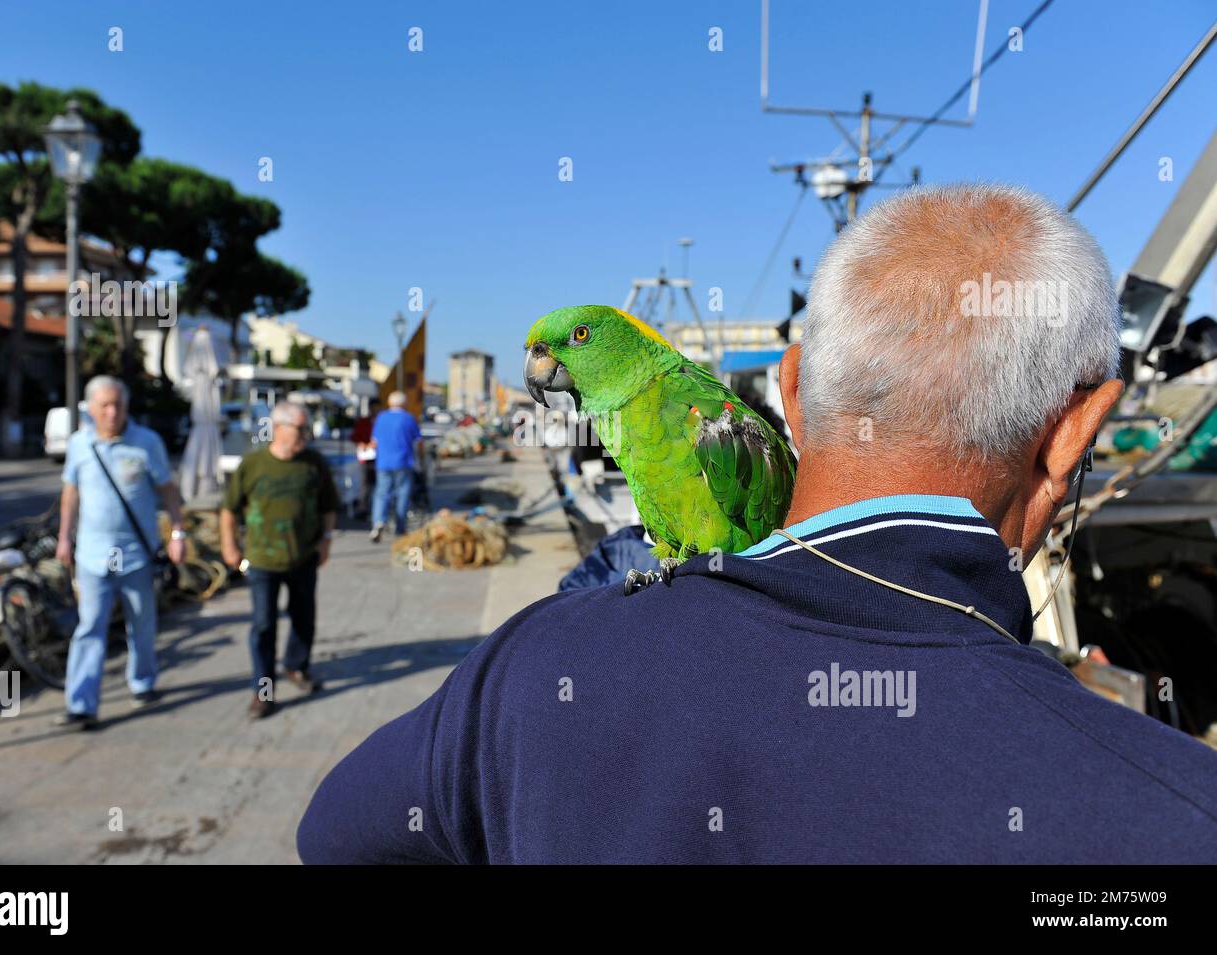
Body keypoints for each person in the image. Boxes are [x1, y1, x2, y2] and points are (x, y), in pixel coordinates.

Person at [298, 184, 1217, 863]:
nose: (545, 364)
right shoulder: (1173, 816)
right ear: (1075, 438)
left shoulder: (528, 672)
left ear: (790, 397)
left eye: (565, 344)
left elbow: (331, 833)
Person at [55, 376, 185, 730]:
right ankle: (81, 703)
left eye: (118, 405)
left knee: (141, 622)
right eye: (105, 406)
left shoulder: (146, 443)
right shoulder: (80, 444)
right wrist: (64, 537)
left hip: (137, 554)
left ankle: (142, 682)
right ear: (91, 408)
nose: (112, 412)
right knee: (89, 627)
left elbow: (169, 491)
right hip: (92, 556)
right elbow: (71, 493)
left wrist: (178, 533)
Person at [221, 401, 340, 719]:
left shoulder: (314, 464)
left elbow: (329, 507)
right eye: (300, 428)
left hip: (304, 558)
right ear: (278, 429)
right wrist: (230, 548)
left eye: (306, 427)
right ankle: (263, 692)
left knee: (304, 619)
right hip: (258, 562)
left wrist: (326, 541)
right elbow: (229, 510)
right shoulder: (254, 464)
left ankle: (296, 666)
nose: (305, 434)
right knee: (263, 626)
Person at [368, 391, 422, 543]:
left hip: (383, 462)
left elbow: (374, 442)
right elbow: (418, 442)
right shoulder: (409, 419)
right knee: (402, 494)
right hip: (404, 462)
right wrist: (421, 462)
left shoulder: (381, 418)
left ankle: (378, 522)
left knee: (381, 493)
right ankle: (400, 526)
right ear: (404, 403)